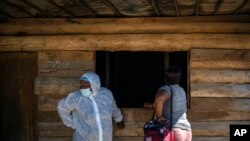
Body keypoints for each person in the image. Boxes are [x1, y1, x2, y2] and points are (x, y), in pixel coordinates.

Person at [57, 71, 125, 141]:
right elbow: (62, 107)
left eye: (86, 85)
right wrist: (73, 124)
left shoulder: (106, 94)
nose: (83, 88)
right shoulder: (76, 98)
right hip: (84, 137)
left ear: (95, 84)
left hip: (105, 136)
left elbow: (113, 107)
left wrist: (119, 119)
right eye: (81, 85)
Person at [154, 66, 192, 141]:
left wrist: (159, 117)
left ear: (165, 78)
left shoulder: (166, 89)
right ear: (179, 79)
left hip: (172, 130)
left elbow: (160, 98)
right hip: (186, 130)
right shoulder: (182, 90)